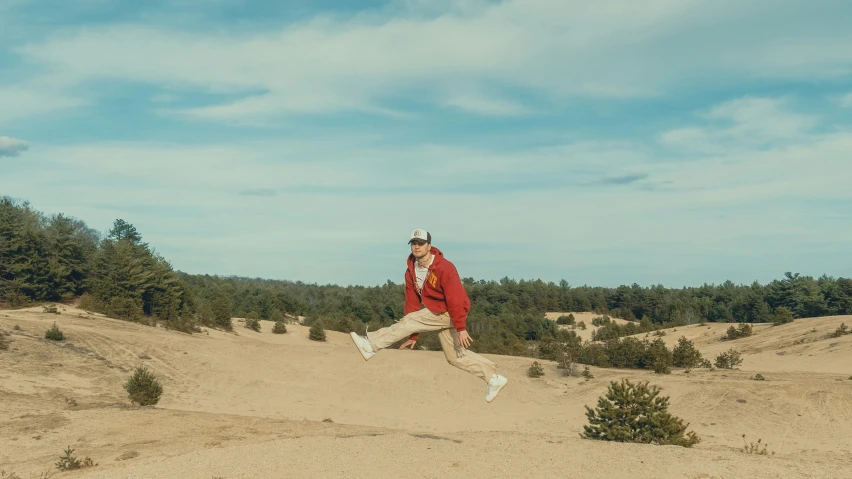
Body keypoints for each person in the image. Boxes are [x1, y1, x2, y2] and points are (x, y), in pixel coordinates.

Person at [349, 229, 509, 403]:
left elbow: (455, 299)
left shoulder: (444, 267)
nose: (417, 247)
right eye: (413, 244)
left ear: (429, 246)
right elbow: (412, 303)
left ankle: (371, 345)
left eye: (421, 243)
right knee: (455, 356)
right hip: (438, 312)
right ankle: (493, 378)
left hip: (451, 311)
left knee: (412, 320)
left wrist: (461, 328)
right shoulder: (411, 271)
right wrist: (413, 335)